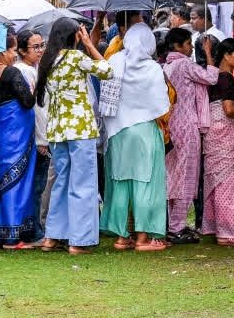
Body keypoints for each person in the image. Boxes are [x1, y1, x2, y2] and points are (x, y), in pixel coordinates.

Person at [35, 18, 112, 255]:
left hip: (58, 130)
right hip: (80, 129)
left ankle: (53, 236)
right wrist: (89, 45)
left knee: (62, 181)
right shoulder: (75, 57)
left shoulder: (47, 61)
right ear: (75, 35)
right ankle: (79, 240)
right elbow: (108, 71)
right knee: (83, 184)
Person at [98, 23, 170, 251]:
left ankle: (121, 237)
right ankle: (142, 238)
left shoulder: (115, 62)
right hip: (145, 130)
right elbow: (161, 105)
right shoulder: (152, 68)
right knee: (145, 182)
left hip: (118, 131)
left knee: (119, 183)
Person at [0, 32, 38, 249]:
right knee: (17, 182)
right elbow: (28, 102)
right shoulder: (12, 73)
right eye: (13, 51)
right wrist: (34, 89)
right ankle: (13, 236)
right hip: (15, 135)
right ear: (3, 51)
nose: (14, 55)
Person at [163, 27, 218, 243]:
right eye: (188, 44)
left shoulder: (166, 65)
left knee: (173, 176)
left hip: (170, 126)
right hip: (187, 125)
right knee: (187, 175)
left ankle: (172, 223)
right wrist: (209, 53)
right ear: (179, 46)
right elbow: (210, 78)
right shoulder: (184, 64)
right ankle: (177, 227)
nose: (190, 48)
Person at [13, 30, 52, 245]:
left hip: (35, 136)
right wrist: (42, 140)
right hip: (36, 137)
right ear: (21, 50)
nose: (41, 50)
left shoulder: (32, 70)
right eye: (35, 47)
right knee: (38, 186)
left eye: (42, 45)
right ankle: (35, 231)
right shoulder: (25, 72)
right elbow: (36, 109)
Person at [202, 38, 234, 246]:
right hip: (224, 131)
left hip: (213, 132)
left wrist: (207, 52)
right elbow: (229, 110)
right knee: (227, 182)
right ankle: (227, 232)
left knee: (216, 180)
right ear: (227, 54)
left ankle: (215, 227)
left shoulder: (214, 75)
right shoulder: (227, 79)